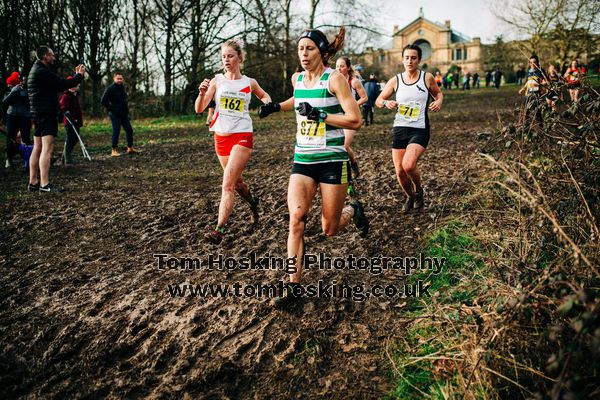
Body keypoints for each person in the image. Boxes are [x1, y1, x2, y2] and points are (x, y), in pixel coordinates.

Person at [258, 26, 369, 306]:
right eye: (300, 49)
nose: (303, 54)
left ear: (321, 51)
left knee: (329, 229)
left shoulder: (335, 80)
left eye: (309, 49)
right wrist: (276, 107)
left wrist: (322, 115)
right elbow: (299, 100)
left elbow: (354, 119)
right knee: (296, 219)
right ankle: (293, 287)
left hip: (332, 160)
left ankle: (353, 209)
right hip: (303, 161)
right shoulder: (298, 79)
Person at [194, 39, 271, 244]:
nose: (226, 60)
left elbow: (265, 96)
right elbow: (199, 109)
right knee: (237, 183)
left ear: (239, 58)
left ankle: (219, 230)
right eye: (223, 57)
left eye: (230, 56)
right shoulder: (216, 80)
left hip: (242, 135)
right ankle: (253, 202)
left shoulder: (249, 82)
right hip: (221, 137)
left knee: (227, 185)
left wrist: (268, 105)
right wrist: (202, 94)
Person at [375, 44, 443, 212]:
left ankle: (418, 191)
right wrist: (386, 102)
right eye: (407, 57)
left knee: (409, 165)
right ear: (402, 59)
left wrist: (438, 101)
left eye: (413, 58)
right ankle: (410, 196)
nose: (410, 61)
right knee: (399, 172)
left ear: (419, 60)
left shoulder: (426, 78)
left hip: (419, 129)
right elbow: (378, 100)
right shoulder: (396, 80)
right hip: (400, 128)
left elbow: (438, 93)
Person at [27, 46, 85, 192]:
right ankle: (44, 184)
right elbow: (62, 84)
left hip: (37, 113)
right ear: (46, 56)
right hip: (46, 113)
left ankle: (33, 182)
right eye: (52, 55)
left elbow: (57, 84)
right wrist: (78, 76)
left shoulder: (35, 70)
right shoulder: (42, 71)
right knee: (47, 148)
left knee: (37, 147)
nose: (54, 57)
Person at [335, 56, 367, 178]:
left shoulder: (353, 81)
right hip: (337, 116)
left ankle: (351, 169)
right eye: (337, 66)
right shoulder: (333, 81)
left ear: (348, 68)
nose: (339, 69)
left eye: (342, 66)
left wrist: (353, 106)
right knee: (337, 145)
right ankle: (351, 164)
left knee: (344, 145)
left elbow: (365, 97)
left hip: (351, 116)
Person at [101, 73, 138, 156]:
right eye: (118, 79)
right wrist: (112, 109)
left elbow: (124, 101)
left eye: (121, 79)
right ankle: (114, 150)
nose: (120, 80)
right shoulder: (110, 89)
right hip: (115, 114)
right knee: (116, 131)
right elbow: (103, 101)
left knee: (129, 130)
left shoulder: (122, 88)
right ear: (114, 79)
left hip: (124, 114)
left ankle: (130, 148)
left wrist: (126, 112)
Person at [3, 72, 32, 168]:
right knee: (10, 137)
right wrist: (15, 91)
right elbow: (5, 101)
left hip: (25, 117)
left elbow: (28, 103)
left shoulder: (25, 91)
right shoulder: (10, 92)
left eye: (10, 84)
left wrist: (21, 92)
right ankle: (9, 158)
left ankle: (28, 159)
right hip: (12, 116)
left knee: (26, 137)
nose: (8, 85)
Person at [59, 78, 83, 166]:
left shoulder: (76, 95)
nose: (73, 88)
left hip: (76, 121)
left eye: (75, 86)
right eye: (71, 86)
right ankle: (68, 160)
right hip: (69, 121)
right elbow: (63, 107)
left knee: (75, 139)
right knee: (70, 139)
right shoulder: (66, 96)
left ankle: (65, 155)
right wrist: (68, 114)